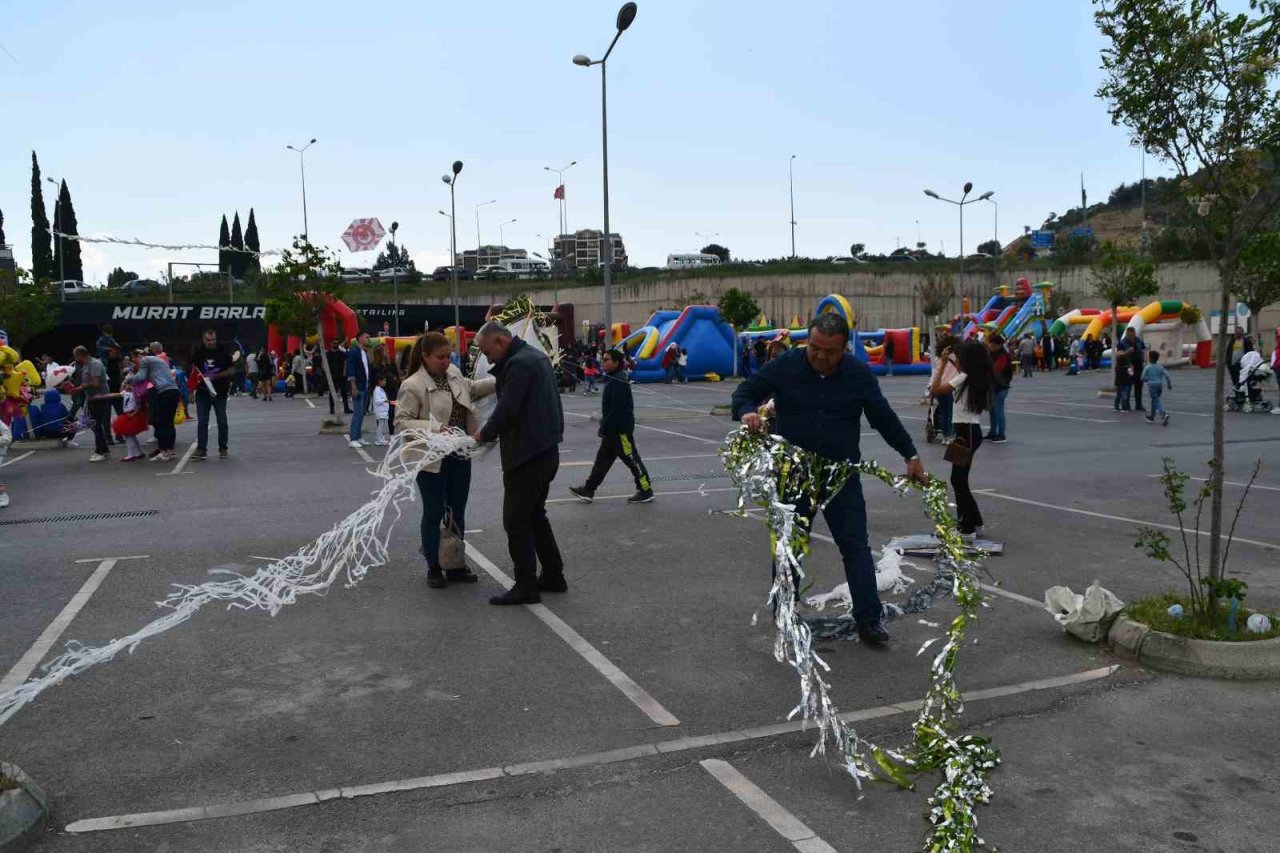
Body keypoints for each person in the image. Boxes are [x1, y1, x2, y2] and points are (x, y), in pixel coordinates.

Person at [732, 313, 927, 645]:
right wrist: (748, 411)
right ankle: (784, 613)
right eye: (815, 348)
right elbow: (745, 391)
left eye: (829, 351)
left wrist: (910, 455)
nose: (820, 357)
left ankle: (869, 620)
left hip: (841, 477)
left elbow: (884, 418)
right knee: (789, 548)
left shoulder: (858, 375)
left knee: (855, 546)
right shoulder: (786, 365)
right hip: (795, 477)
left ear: (844, 348)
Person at [472, 322, 566, 606]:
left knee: (516, 521)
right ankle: (553, 575)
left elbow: (508, 409)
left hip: (527, 454)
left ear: (500, 341)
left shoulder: (519, 365)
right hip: (545, 450)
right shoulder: (535, 357)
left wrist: (484, 433)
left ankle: (526, 586)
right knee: (535, 516)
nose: (488, 360)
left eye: (488, 352)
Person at [396, 331, 496, 588]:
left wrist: (500, 378)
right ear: (425, 357)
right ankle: (433, 566)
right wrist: (435, 428)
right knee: (434, 512)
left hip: (459, 454)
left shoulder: (453, 373)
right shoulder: (412, 385)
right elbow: (402, 422)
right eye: (440, 357)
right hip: (431, 459)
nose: (445, 361)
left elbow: (471, 389)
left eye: (448, 356)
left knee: (456, 510)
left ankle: (454, 564)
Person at [568, 349, 654, 504]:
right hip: (611, 431)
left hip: (619, 430)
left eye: (606, 360)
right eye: (603, 359)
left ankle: (645, 490)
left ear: (616, 363)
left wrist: (604, 426)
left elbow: (618, 409)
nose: (603, 362)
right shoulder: (614, 378)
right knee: (602, 462)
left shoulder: (618, 381)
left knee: (632, 460)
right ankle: (588, 489)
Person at [929, 341, 992, 540]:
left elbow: (935, 389)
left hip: (966, 432)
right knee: (960, 480)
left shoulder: (963, 377)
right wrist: (949, 360)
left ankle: (967, 528)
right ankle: (976, 522)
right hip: (971, 431)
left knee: (958, 480)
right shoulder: (974, 376)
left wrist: (942, 364)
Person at [130, 342, 182, 462]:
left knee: (163, 422)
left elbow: (141, 377)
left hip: (163, 392)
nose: (134, 361)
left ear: (140, 355)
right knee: (168, 422)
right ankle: (168, 451)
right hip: (173, 391)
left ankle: (165, 452)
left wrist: (128, 378)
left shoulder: (145, 360)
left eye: (134, 358)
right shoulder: (158, 360)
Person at [191, 328, 236, 460]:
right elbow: (192, 371)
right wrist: (190, 390)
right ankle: (201, 449)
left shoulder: (223, 352)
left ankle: (223, 447)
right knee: (202, 421)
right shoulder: (198, 352)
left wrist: (217, 376)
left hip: (220, 392)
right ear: (203, 340)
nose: (211, 342)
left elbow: (232, 370)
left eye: (213, 340)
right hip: (202, 392)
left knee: (222, 421)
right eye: (208, 340)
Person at [69, 346, 113, 462]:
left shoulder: (94, 364)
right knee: (94, 425)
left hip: (99, 397)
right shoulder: (86, 365)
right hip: (92, 397)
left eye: (75, 356)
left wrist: (81, 387)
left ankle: (100, 451)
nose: (75, 359)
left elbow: (95, 383)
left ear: (80, 355)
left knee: (96, 425)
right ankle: (104, 450)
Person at [929, 336, 959, 443]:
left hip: (939, 387)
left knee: (943, 413)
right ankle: (950, 435)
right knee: (951, 413)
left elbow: (935, 373)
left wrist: (930, 387)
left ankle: (945, 436)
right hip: (951, 387)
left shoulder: (938, 358)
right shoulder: (956, 357)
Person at [346, 332, 373, 448]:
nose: (369, 339)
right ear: (360, 338)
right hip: (358, 387)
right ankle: (353, 439)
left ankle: (358, 436)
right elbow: (351, 369)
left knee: (362, 413)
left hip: (365, 386)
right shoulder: (353, 352)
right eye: (367, 337)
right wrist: (353, 386)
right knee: (357, 413)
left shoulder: (364, 352)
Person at [986, 333, 1012, 443]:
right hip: (993, 386)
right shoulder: (991, 354)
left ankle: (1001, 434)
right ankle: (992, 432)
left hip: (1001, 386)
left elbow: (997, 369)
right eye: (990, 344)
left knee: (999, 410)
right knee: (992, 410)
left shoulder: (1003, 356)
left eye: (992, 345)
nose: (991, 346)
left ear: (999, 345)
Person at [1117, 328, 1148, 412]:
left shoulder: (1139, 340)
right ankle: (1126, 405)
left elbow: (1144, 351)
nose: (1130, 336)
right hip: (1128, 367)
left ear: (1134, 334)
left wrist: (1145, 361)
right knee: (1128, 386)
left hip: (1139, 366)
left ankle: (1138, 405)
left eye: (1131, 335)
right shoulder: (1122, 342)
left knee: (1139, 386)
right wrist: (1127, 351)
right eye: (1128, 335)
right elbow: (1119, 354)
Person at [1141, 350, 1172, 425]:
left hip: (1152, 386)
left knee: (1156, 400)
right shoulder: (1160, 367)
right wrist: (1169, 384)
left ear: (1150, 358)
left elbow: (1142, 378)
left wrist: (1147, 380)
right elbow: (1167, 375)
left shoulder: (1148, 367)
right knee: (1154, 400)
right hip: (1160, 385)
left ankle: (1163, 413)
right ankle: (1152, 416)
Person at [326, 341, 349, 414]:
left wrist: (344, 373)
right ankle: (332, 409)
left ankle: (346, 408)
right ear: (331, 344)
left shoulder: (342, 353)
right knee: (332, 393)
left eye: (336, 343)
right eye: (333, 343)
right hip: (332, 376)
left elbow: (345, 363)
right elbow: (324, 364)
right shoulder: (328, 354)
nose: (335, 344)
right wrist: (328, 374)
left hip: (341, 376)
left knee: (344, 392)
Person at [371, 375, 391, 445]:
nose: (385, 382)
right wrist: (385, 400)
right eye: (384, 380)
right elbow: (377, 401)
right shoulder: (377, 390)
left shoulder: (380, 389)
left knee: (382, 426)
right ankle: (379, 439)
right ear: (379, 381)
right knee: (381, 426)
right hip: (380, 410)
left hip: (383, 410)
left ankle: (381, 438)